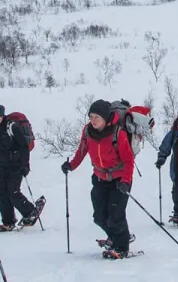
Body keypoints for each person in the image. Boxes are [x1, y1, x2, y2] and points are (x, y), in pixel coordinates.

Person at [61, 100, 137, 259]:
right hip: (100, 178)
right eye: (91, 116)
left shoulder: (118, 133)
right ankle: (118, 237)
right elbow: (82, 150)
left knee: (116, 216)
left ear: (106, 118)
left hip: (119, 180)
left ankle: (122, 247)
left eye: (97, 117)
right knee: (99, 217)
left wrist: (126, 181)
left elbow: (129, 160)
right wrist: (71, 165)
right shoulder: (88, 131)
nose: (93, 120)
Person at [0, 104, 43, 231]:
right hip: (1, 166)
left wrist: (25, 165)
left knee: (13, 193)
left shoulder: (12, 127)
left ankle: (30, 212)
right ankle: (8, 223)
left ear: (2, 116)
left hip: (16, 165)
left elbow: (24, 146)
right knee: (1, 195)